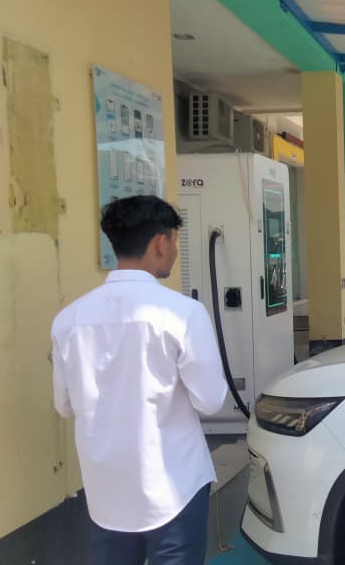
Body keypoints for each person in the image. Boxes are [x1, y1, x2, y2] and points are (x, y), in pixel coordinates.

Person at [51, 195, 227, 565]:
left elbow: (64, 405)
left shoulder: (69, 320)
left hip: (106, 494)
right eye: (175, 241)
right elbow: (211, 400)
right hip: (174, 489)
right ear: (160, 242)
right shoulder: (183, 314)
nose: (175, 250)